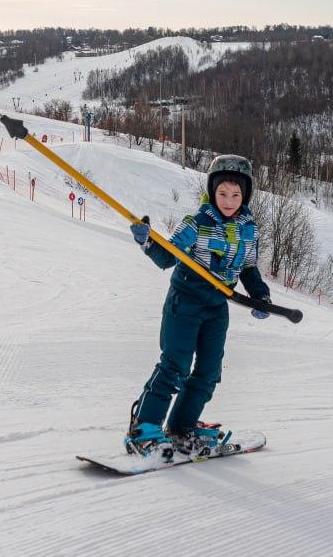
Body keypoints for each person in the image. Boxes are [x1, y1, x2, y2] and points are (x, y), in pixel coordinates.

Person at [125, 154, 271, 459]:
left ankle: (182, 427)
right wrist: (147, 242)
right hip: (186, 301)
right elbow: (167, 258)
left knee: (208, 372)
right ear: (211, 192)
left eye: (236, 195)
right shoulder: (196, 224)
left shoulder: (249, 230)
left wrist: (261, 296)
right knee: (175, 366)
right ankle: (144, 427)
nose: (229, 201)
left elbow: (247, 269)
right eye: (222, 194)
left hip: (218, 307)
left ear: (245, 196)